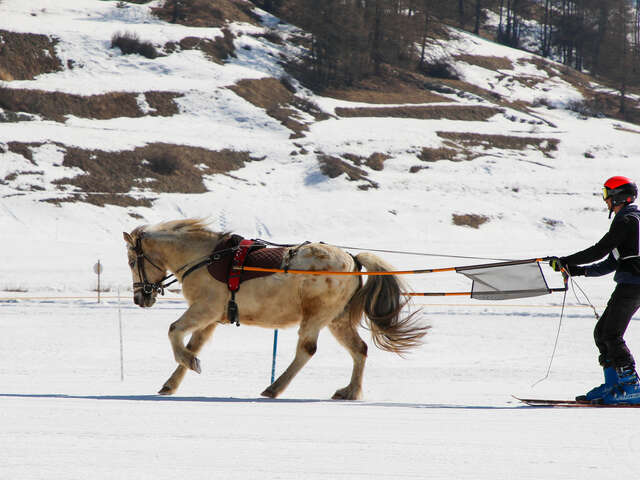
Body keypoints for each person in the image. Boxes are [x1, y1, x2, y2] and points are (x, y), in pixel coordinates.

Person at [550, 176, 640, 404]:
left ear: (617, 196)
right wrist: (577, 270)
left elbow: (599, 250)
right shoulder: (631, 220)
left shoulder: (627, 220)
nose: (605, 200)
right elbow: (610, 262)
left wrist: (565, 260)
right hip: (630, 283)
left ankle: (631, 387)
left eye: (606, 194)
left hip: (634, 284)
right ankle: (613, 384)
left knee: (611, 334)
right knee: (602, 333)